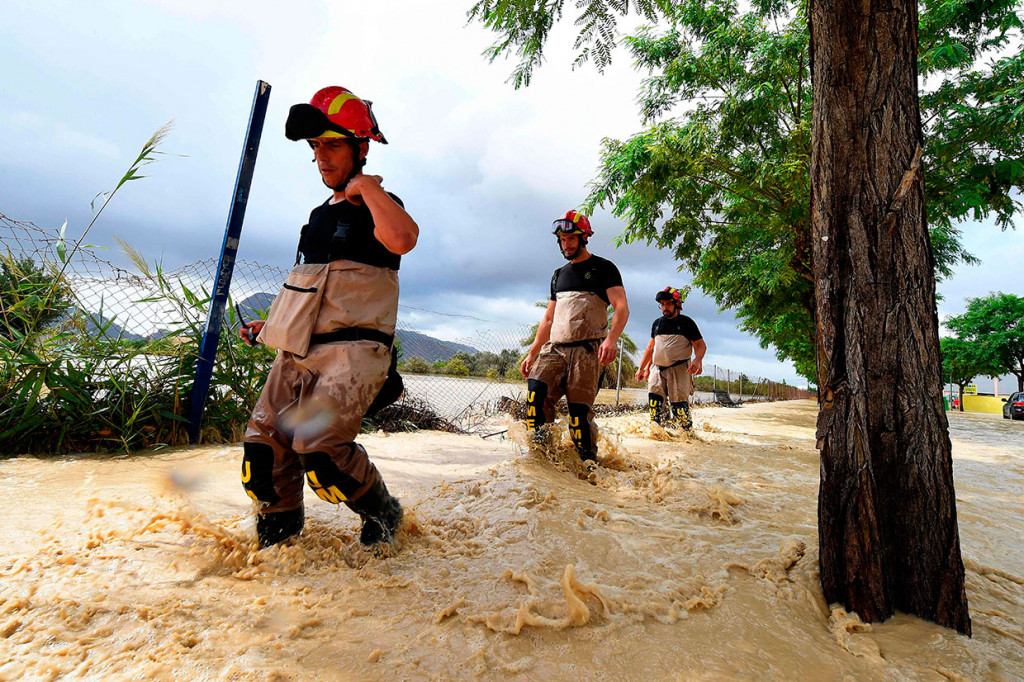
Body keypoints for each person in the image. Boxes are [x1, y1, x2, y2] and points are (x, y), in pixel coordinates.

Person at [238, 86, 419, 549]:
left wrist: (370, 189)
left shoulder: (379, 203)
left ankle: (384, 514)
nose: (321, 156)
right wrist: (272, 325)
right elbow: (311, 287)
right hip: (299, 350)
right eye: (316, 146)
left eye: (332, 144)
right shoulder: (318, 216)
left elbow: (403, 239)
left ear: (361, 147)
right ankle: (280, 548)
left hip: (353, 352)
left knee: (318, 451)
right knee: (262, 451)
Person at [519, 210, 629, 469]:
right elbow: (548, 319)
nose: (566, 244)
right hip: (554, 350)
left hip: (587, 352)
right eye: (562, 240)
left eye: (571, 239)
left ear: (584, 238)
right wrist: (533, 352)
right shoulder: (558, 275)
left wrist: (611, 339)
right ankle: (542, 459)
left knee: (579, 417)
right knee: (536, 394)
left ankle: (588, 466)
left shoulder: (604, 268)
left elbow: (621, 307)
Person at [635, 287, 706, 430]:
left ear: (677, 304)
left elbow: (701, 345)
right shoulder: (657, 324)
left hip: (679, 370)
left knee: (679, 405)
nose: (664, 307)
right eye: (662, 304)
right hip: (658, 369)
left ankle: (686, 435)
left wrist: (697, 360)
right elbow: (651, 348)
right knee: (654, 403)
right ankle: (657, 433)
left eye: (668, 304)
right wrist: (642, 368)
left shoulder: (687, 323)